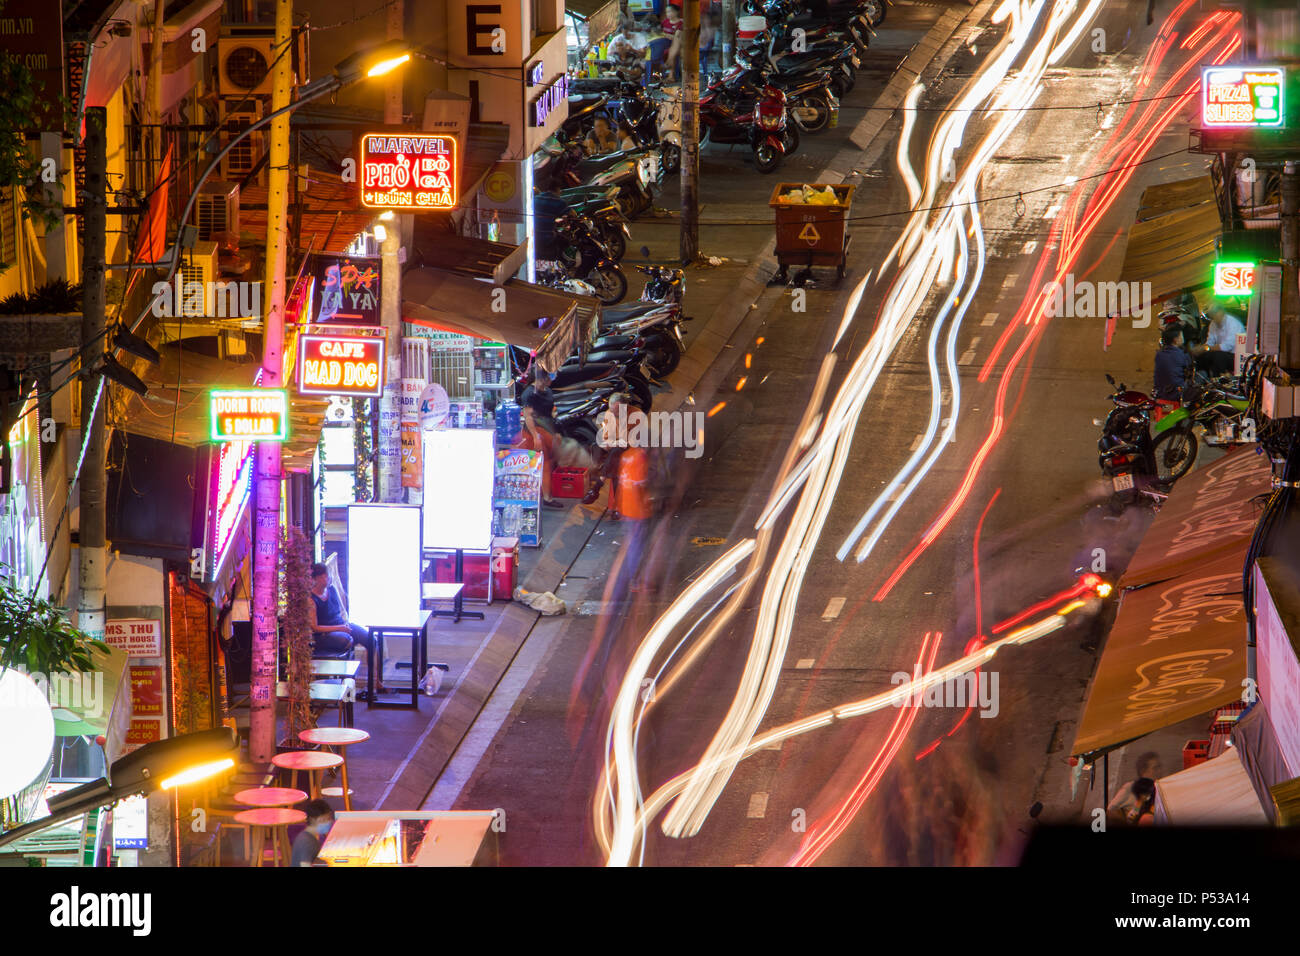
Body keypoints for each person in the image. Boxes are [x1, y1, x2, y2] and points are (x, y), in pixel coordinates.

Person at [516, 368, 564, 509]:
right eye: (549, 377)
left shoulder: (548, 391)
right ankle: (542, 498)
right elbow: (528, 416)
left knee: (548, 463)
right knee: (541, 464)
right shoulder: (529, 393)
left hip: (547, 430)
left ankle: (545, 495)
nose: (551, 380)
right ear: (542, 378)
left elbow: (551, 414)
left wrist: (556, 432)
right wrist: (535, 436)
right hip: (534, 433)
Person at [309, 562, 372, 661]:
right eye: (322, 577)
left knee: (370, 638)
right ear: (314, 579)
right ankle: (344, 672)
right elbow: (315, 627)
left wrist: (344, 625)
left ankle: (372, 674)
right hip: (325, 634)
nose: (326, 578)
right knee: (345, 639)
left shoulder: (332, 590)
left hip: (341, 625)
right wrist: (339, 628)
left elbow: (340, 611)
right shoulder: (311, 599)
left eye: (326, 575)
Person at [1194, 302, 1246, 375]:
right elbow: (1210, 342)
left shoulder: (1232, 323)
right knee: (1202, 356)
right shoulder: (1213, 324)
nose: (1213, 317)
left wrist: (1206, 348)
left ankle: (1219, 379)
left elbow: (1227, 346)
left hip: (1235, 355)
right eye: (1211, 315)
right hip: (1222, 352)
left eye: (1214, 313)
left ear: (1221, 312)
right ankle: (1202, 377)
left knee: (1218, 356)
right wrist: (1202, 349)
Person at [1153, 325, 1193, 401]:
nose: (1183, 338)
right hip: (1177, 393)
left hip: (1160, 392)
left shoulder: (1159, 354)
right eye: (1181, 336)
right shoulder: (1181, 354)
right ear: (1175, 340)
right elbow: (1189, 368)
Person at [290, 799, 334, 866]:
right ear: (314, 820)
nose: (329, 822)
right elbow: (305, 865)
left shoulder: (311, 837)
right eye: (325, 819)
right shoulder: (307, 841)